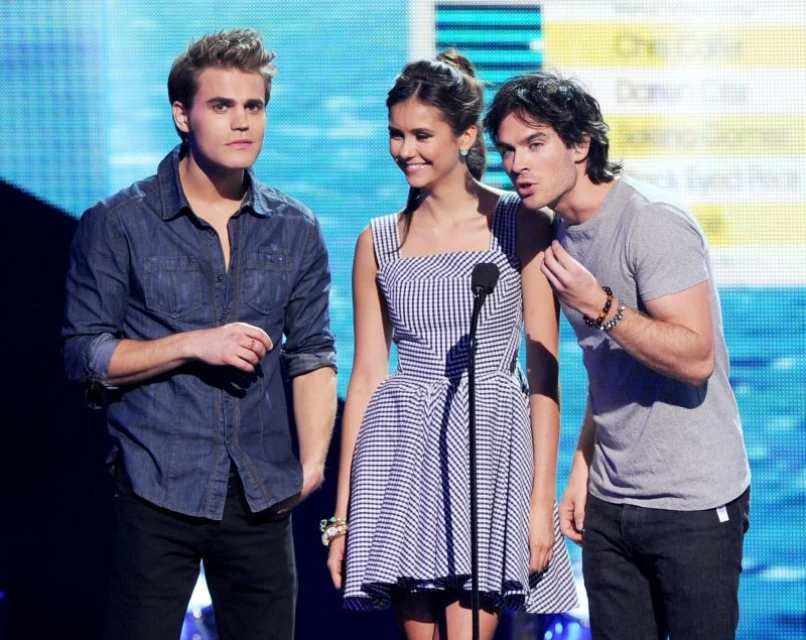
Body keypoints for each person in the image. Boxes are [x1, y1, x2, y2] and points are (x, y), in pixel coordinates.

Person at [61, 29, 337, 640]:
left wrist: (313, 465)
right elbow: (84, 354)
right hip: (155, 487)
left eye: (254, 106)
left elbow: (313, 354)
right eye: (221, 105)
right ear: (182, 115)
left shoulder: (295, 227)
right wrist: (193, 343)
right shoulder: (119, 223)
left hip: (262, 491)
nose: (242, 122)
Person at [484, 72, 751, 639]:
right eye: (507, 150)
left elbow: (696, 358)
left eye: (534, 144)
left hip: (692, 504)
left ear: (580, 144)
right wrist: (582, 464)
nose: (516, 165)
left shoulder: (651, 221)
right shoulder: (557, 235)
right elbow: (608, 367)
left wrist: (601, 306)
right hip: (609, 501)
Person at [324, 52, 577, 640]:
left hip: (490, 446)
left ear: (465, 136)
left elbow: (544, 373)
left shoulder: (521, 223)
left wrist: (541, 501)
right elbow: (367, 377)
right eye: (396, 135)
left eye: (421, 135)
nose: (405, 150)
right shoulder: (378, 240)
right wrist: (342, 519)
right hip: (401, 453)